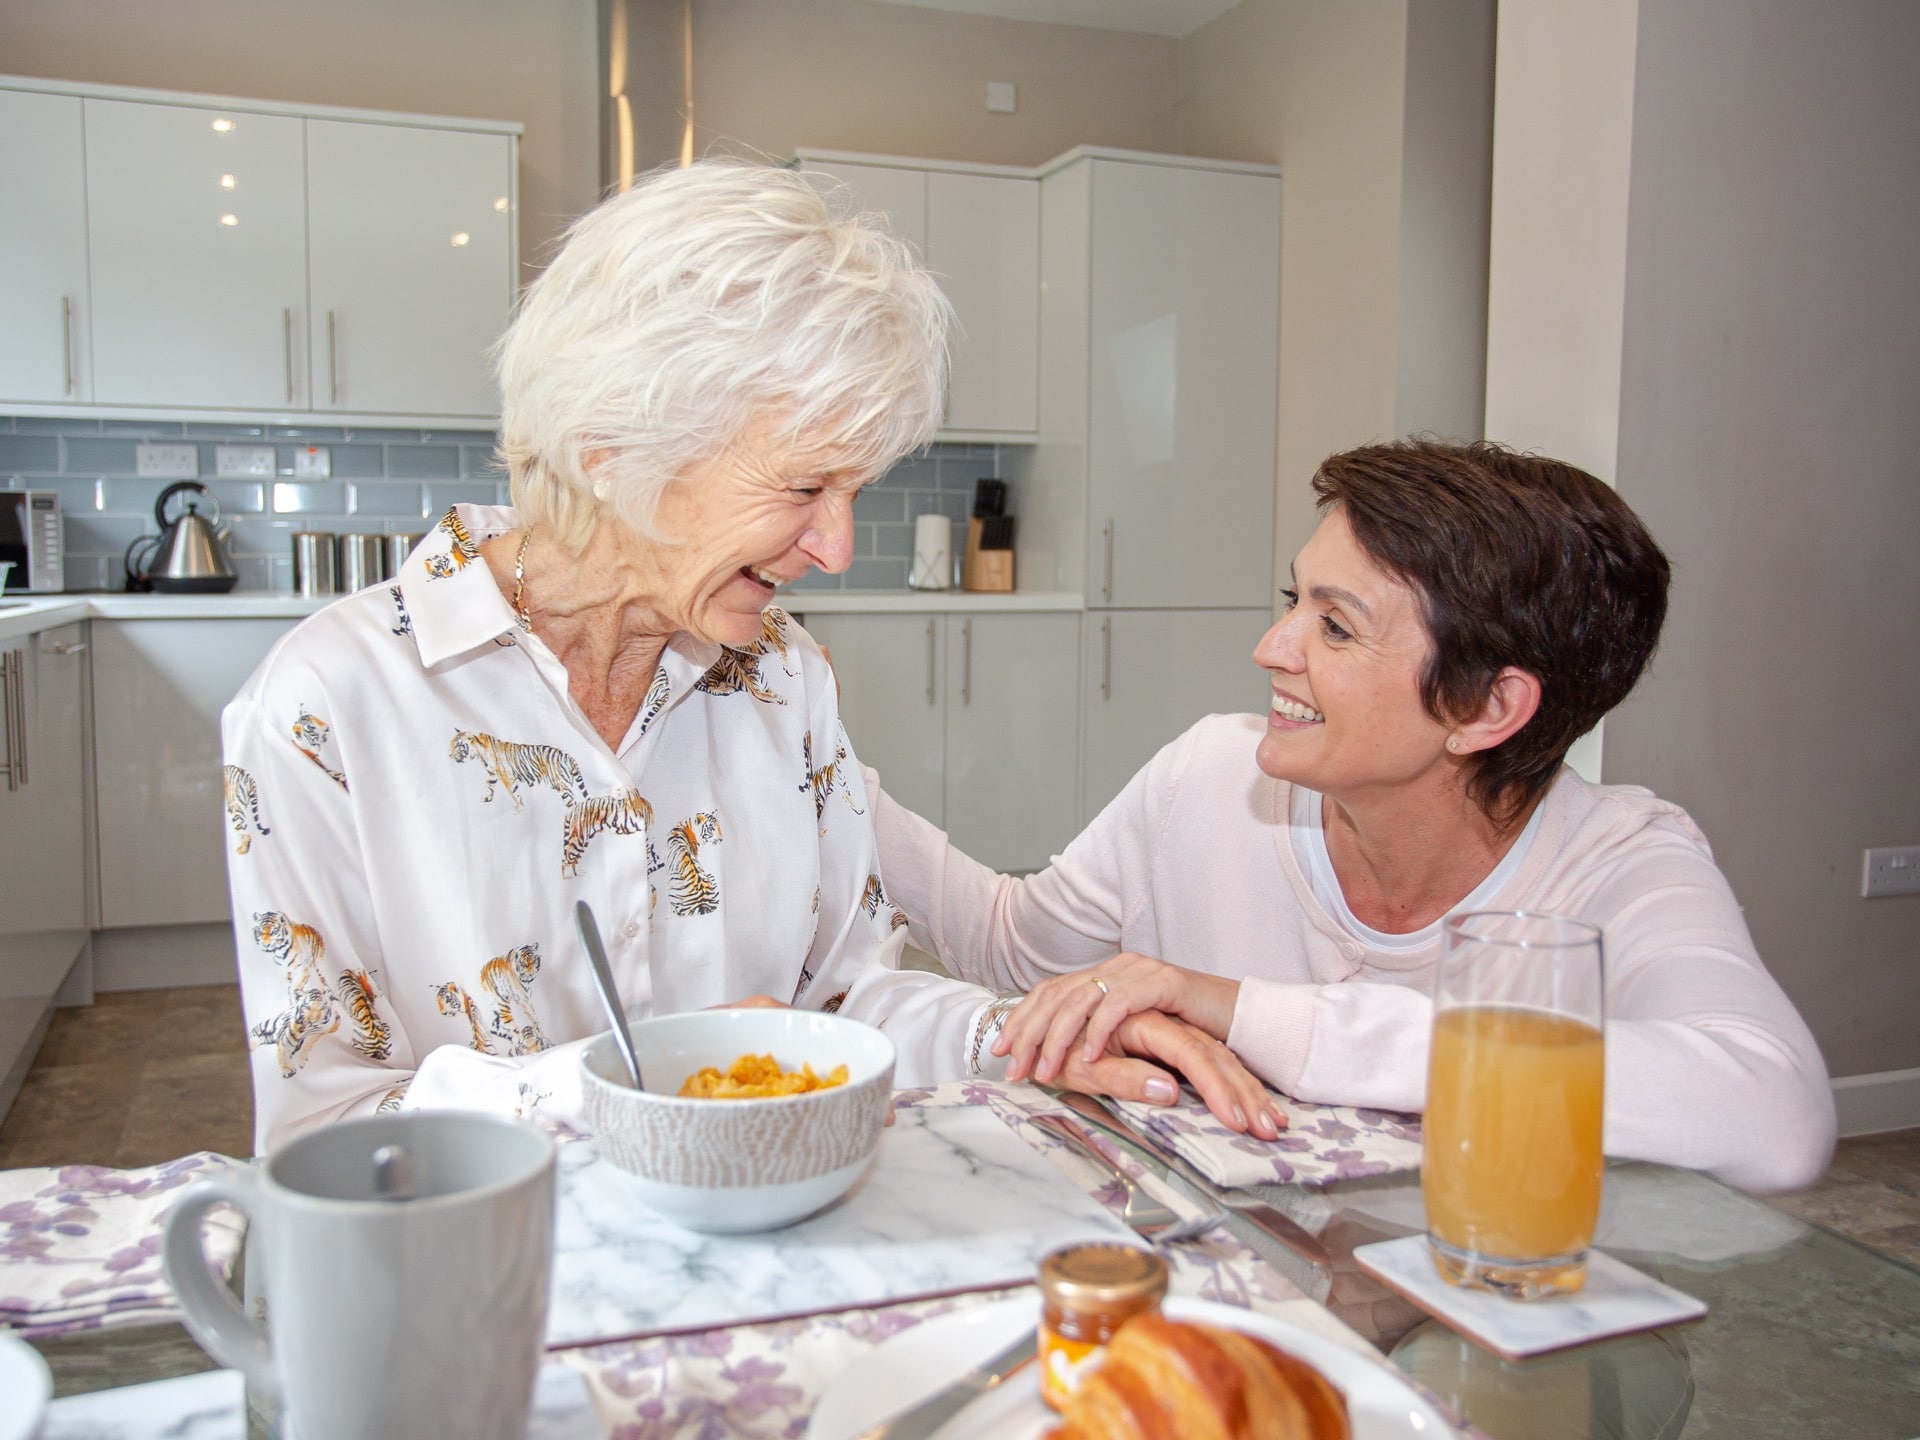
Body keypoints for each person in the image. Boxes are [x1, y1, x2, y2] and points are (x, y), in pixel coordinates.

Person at [224, 161, 1212, 1153]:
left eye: (854, 491)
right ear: (613, 445)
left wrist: (1024, 1038)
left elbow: (844, 1006)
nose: (836, 548)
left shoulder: (786, 679)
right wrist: (648, 1076)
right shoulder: (328, 707)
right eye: (803, 488)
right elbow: (325, 1134)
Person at [871, 439, 1836, 1193]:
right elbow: (1009, 945)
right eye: (1295, 601)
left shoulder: (1620, 862)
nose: (1272, 647)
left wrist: (1246, 1011)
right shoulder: (1207, 780)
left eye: (1335, 626)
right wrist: (817, 762)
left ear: (1487, 708)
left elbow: (1773, 1114)